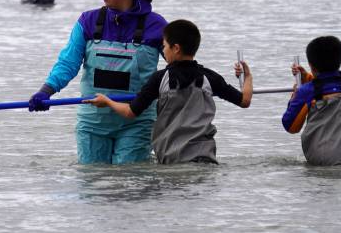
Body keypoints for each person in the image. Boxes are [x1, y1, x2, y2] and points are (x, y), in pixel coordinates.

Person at [27, 0, 166, 164]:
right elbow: (68, 63)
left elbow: (178, 63)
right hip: (93, 121)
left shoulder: (156, 25)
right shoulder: (87, 21)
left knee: (129, 184)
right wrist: (46, 91)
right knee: (94, 182)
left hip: (137, 120)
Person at [87, 19, 252, 164]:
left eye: (164, 46)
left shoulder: (159, 79)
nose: (163, 51)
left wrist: (107, 101)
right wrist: (247, 76)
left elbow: (131, 112)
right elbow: (244, 100)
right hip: (205, 160)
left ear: (176, 48)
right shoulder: (210, 78)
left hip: (170, 160)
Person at [282, 35, 341, 166]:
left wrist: (295, 95)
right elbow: (329, 89)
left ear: (311, 65)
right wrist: (308, 78)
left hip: (321, 161)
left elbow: (291, 126)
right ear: (339, 60)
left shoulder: (306, 91)